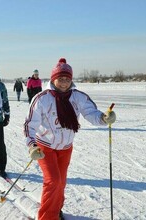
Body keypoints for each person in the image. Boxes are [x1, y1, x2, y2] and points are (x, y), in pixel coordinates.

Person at [24, 58, 116, 220]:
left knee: (61, 181)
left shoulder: (78, 97)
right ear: (54, 79)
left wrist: (104, 118)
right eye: (61, 79)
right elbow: (30, 124)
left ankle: (56, 208)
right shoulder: (42, 98)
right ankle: (47, 217)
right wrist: (32, 145)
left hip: (66, 147)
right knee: (53, 181)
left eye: (67, 79)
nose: (64, 83)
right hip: (45, 147)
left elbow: (91, 113)